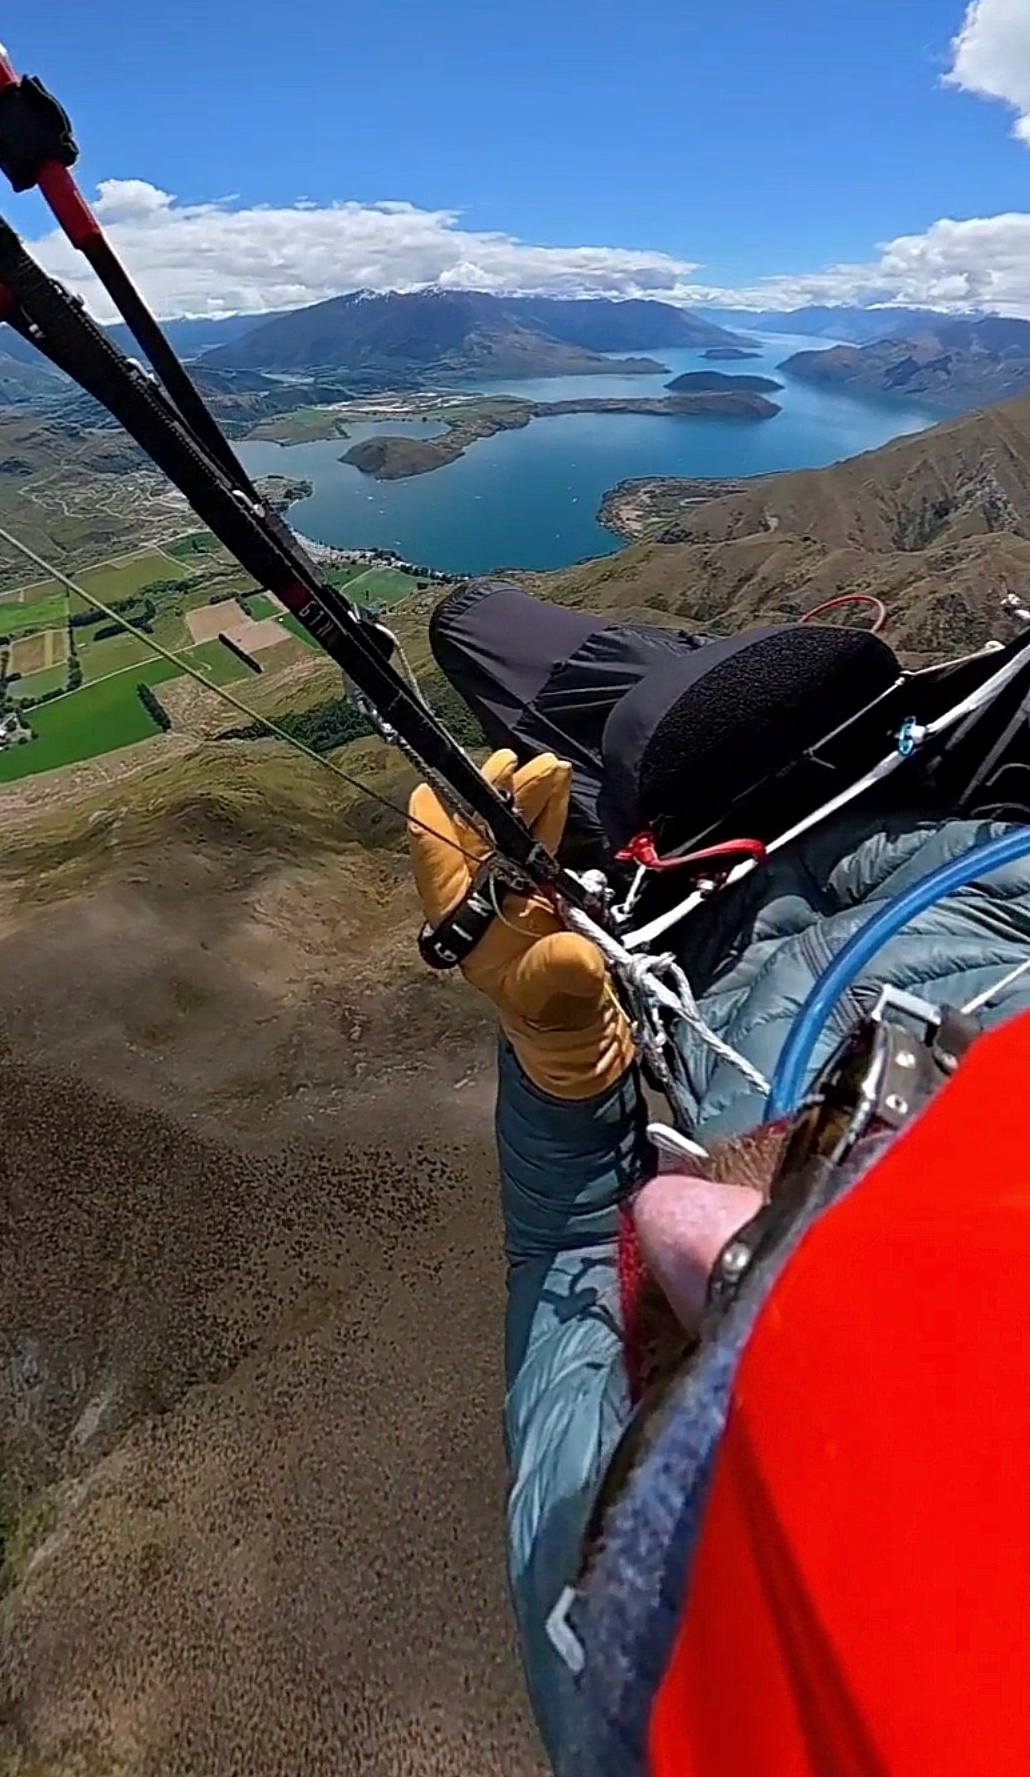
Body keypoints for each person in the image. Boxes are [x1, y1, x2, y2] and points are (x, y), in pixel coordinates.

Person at [411, 580, 1030, 1775]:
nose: (680, 1211)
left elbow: (572, 1252)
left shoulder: (630, 1668)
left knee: (472, 640)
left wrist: (567, 1078)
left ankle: (649, 738)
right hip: (923, 790)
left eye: (701, 1403)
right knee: (484, 637)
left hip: (682, 915)